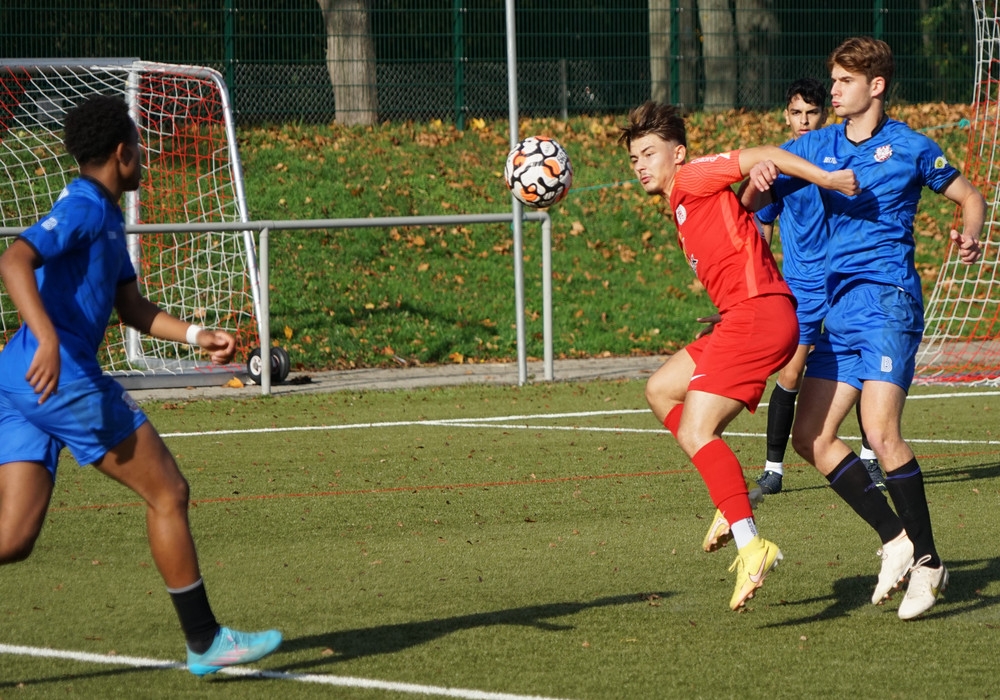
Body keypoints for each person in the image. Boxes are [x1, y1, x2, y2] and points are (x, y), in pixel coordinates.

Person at [0, 95, 282, 674]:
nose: (144, 156)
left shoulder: (106, 216)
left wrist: (197, 335)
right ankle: (204, 641)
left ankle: (205, 641)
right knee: (168, 491)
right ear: (121, 154)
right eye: (138, 146)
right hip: (58, 375)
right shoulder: (83, 208)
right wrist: (47, 337)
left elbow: (130, 307)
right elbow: (13, 261)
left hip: (21, 379)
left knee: (13, 538)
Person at [749, 37, 984, 619]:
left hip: (887, 302)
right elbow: (756, 194)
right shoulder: (818, 145)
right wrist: (758, 176)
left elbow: (970, 195)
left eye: (844, 81)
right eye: (833, 79)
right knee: (811, 437)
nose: (833, 90)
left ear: (875, 86)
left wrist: (970, 233)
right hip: (838, 311)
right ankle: (896, 540)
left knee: (879, 431)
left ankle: (928, 562)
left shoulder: (910, 146)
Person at [619, 101, 859, 610]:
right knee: (660, 390)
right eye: (634, 158)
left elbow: (767, 151)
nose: (640, 165)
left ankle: (752, 546)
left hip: (759, 316)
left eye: (649, 153)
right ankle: (730, 498)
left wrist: (827, 179)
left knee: (697, 431)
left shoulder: (692, 176)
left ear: (677, 153)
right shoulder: (682, 204)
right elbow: (741, 225)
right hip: (744, 316)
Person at [754, 77, 885, 495]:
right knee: (791, 372)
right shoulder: (780, 165)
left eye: (812, 112)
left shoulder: (842, 156)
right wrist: (758, 284)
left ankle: (870, 458)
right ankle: (773, 469)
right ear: (786, 116)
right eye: (797, 113)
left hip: (848, 285)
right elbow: (762, 225)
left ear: (824, 115)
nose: (804, 120)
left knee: (865, 370)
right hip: (802, 289)